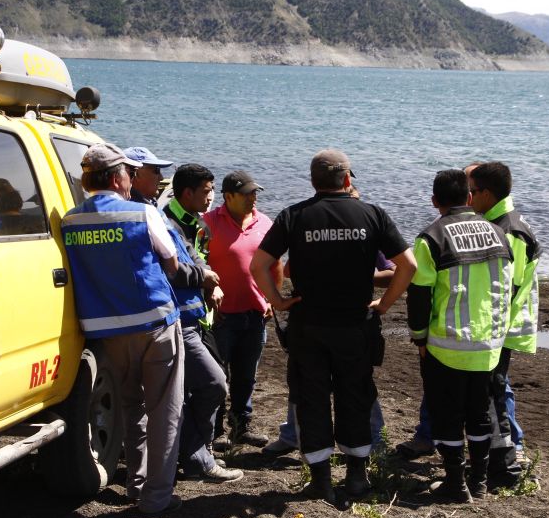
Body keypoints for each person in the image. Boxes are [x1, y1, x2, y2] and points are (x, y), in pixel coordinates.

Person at [250, 149, 416, 504]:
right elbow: (408, 266)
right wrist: (384, 305)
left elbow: (259, 265)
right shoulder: (372, 214)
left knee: (311, 400)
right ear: (346, 179)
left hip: (308, 324)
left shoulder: (293, 216)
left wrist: (277, 300)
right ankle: (356, 478)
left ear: (313, 181)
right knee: (354, 396)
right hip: (355, 324)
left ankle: (321, 481)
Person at [60, 143, 183, 514]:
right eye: (129, 173)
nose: (131, 179)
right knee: (165, 410)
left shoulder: (69, 221)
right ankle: (156, 497)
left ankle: (136, 483)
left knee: (131, 406)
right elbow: (172, 262)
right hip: (153, 322)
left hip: (106, 333)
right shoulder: (141, 213)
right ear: (117, 178)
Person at [263, 187, 397, 457]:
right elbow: (288, 269)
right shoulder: (310, 220)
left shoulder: (368, 225)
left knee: (355, 387)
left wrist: (358, 274)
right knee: (306, 384)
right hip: (315, 322)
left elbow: (394, 271)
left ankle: (375, 441)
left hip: (349, 320)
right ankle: (293, 435)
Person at [407, 169, 513, 503]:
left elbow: (420, 294)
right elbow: (507, 286)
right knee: (479, 413)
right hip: (488, 345)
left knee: (448, 415)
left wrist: (419, 338)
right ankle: (478, 481)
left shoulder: (431, 237)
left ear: (434, 201)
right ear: (469, 197)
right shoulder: (499, 234)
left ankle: (455, 482)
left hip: (446, 345)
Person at [161, 164, 242, 483]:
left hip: (196, 317)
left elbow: (196, 258)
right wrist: (203, 278)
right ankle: (196, 455)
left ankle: (196, 453)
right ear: (187, 193)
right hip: (178, 319)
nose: (212, 197)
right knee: (214, 383)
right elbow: (173, 267)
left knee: (196, 388)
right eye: (207, 191)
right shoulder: (167, 222)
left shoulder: (189, 221)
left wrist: (210, 281)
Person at [469, 161, 542, 487]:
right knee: (495, 389)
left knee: (494, 391)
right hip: (500, 322)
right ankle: (509, 455)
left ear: (486, 192)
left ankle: (509, 464)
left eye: (472, 192)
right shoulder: (499, 219)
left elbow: (505, 286)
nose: (468, 199)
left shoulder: (509, 229)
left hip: (503, 325)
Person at [203, 170, 281, 449]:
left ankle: (241, 426)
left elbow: (275, 266)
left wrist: (271, 300)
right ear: (228, 196)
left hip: (254, 314)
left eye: (255, 193)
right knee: (217, 376)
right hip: (221, 315)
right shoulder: (208, 223)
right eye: (247, 193)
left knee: (247, 376)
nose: (253, 198)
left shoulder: (264, 222)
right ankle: (215, 430)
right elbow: (198, 264)